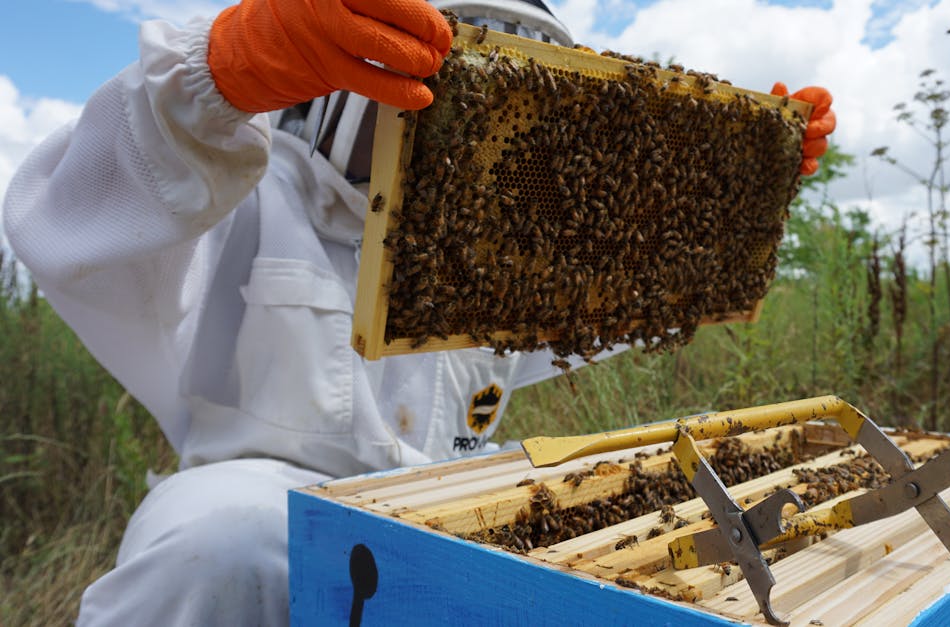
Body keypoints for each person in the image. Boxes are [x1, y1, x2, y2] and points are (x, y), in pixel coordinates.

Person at [2, 0, 835, 624]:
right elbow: (67, 213)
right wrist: (218, 75)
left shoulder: (508, 253)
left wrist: (733, 197)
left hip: (453, 495)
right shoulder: (247, 186)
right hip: (262, 495)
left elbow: (622, 293)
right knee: (217, 545)